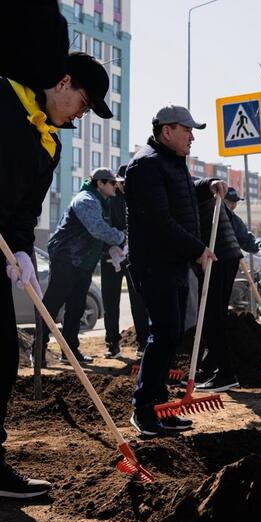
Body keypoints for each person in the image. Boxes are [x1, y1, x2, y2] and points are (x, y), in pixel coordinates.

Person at [1, 50, 111, 497]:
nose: (81, 115)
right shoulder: (3, 96)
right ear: (63, 82)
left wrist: (21, 250)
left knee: (3, 356)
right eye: (83, 103)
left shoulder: (49, 142)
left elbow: (26, 211)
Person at [126, 105, 225, 436]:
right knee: (165, 332)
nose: (192, 137)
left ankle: (160, 408)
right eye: (187, 130)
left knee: (171, 334)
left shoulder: (170, 163)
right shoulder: (145, 165)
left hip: (173, 263)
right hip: (155, 264)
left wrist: (207, 185)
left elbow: (183, 193)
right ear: (167, 131)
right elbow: (160, 221)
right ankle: (143, 409)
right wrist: (197, 249)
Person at [42, 167, 126, 363]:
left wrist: (111, 249)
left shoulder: (103, 202)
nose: (116, 186)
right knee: (52, 305)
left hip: (83, 262)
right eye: (112, 183)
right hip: (66, 259)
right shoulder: (86, 200)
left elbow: (96, 235)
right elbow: (97, 228)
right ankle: (38, 350)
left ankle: (70, 352)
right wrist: (121, 238)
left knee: (76, 307)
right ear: (100, 183)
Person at [194, 184, 245, 393]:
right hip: (225, 255)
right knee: (213, 316)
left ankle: (226, 373)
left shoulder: (185, 189)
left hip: (217, 257)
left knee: (212, 316)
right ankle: (208, 368)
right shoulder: (190, 187)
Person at [100, 165, 150, 359]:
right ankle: (112, 343)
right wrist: (111, 248)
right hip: (110, 257)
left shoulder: (138, 198)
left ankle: (143, 341)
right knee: (110, 301)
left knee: (138, 300)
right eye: (121, 182)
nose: (124, 186)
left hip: (133, 257)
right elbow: (102, 226)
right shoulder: (108, 200)